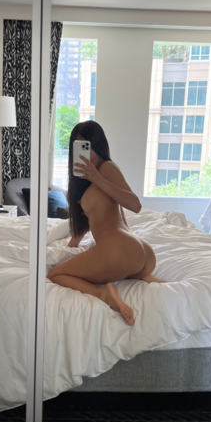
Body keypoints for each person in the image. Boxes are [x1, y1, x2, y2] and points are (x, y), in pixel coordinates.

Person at [48, 121, 164, 326]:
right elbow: (88, 221)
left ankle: (103, 294)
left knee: (56, 274)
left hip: (121, 249)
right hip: (137, 253)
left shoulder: (106, 168)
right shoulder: (84, 179)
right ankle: (141, 275)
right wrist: (71, 248)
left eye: (88, 146)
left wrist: (97, 177)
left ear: (98, 145)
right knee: (62, 270)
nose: (85, 153)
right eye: (79, 147)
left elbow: (135, 205)